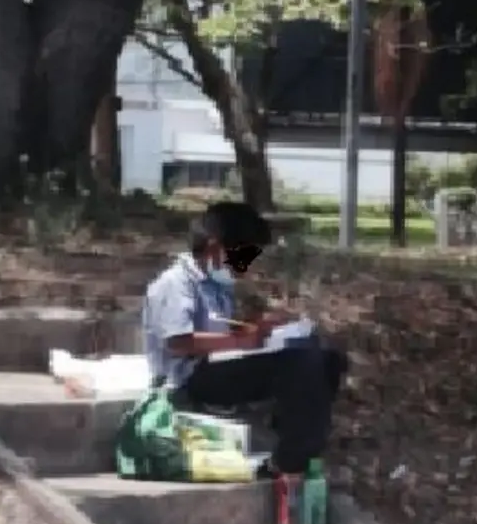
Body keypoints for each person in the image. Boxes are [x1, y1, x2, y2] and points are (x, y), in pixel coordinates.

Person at [141, 201, 348, 474]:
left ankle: (298, 438)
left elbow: (218, 334)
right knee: (300, 364)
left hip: (216, 364)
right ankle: (289, 459)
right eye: (244, 257)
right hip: (187, 379)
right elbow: (178, 342)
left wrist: (256, 330)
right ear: (215, 248)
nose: (246, 267)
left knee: (328, 359)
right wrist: (242, 342)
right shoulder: (176, 283)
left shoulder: (216, 286)